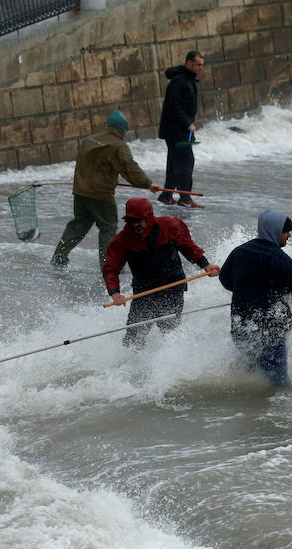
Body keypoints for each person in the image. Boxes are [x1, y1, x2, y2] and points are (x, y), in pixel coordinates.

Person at [219, 210, 292, 387]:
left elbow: (225, 278)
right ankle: (277, 412)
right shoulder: (280, 259)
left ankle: (243, 411)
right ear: (274, 231)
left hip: (241, 325)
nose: (289, 235)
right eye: (286, 232)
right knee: (279, 383)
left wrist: (246, 291)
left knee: (244, 374)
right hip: (271, 330)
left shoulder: (239, 251)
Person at [51, 109, 161, 269]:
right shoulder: (118, 146)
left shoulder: (90, 140)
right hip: (100, 195)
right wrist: (148, 184)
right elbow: (129, 167)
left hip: (81, 191)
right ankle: (109, 266)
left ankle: (59, 258)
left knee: (78, 226)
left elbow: (93, 166)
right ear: (123, 130)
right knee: (108, 228)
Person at [103, 197, 220, 347]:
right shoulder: (122, 240)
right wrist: (115, 293)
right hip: (144, 291)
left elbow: (188, 247)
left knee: (169, 333)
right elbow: (110, 268)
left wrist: (205, 265)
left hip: (173, 286)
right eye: (131, 221)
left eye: (139, 220)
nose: (135, 224)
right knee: (133, 337)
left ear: (149, 217)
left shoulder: (170, 226)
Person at [157, 51, 204, 208]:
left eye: (201, 65)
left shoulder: (187, 79)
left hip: (179, 130)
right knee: (186, 161)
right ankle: (185, 198)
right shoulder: (179, 81)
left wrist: (192, 115)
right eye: (198, 64)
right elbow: (174, 106)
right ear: (188, 63)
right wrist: (187, 123)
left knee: (174, 162)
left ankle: (166, 195)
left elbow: (184, 103)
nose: (200, 68)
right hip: (176, 130)